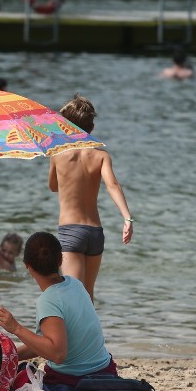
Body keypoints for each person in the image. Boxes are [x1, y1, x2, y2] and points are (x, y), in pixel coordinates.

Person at [0, 232, 117, 391]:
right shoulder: (75, 284)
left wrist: (16, 328)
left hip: (75, 382)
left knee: (16, 384)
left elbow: (57, 354)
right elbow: (49, 343)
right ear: (60, 260)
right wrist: (11, 356)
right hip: (106, 372)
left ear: (28, 267)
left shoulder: (48, 300)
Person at [50, 94, 133, 301]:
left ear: (65, 127)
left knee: (72, 297)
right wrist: (127, 218)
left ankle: (70, 335)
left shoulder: (57, 153)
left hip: (71, 231)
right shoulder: (102, 156)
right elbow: (112, 185)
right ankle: (91, 334)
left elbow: (53, 187)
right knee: (88, 297)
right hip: (95, 232)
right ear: (92, 128)